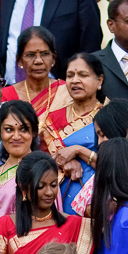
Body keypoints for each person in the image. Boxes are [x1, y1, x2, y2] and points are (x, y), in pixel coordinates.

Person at [45, 52, 104, 211]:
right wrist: (63, 160)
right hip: (58, 200)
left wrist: (79, 151)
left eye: (83, 75)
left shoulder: (109, 116)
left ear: (100, 80)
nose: (75, 80)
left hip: (100, 198)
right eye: (70, 75)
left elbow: (117, 166)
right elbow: (41, 162)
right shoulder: (51, 120)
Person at [0, 100, 39, 243]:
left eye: (24, 129)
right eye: (9, 129)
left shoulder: (42, 171)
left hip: (26, 253)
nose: (16, 136)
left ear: (34, 132)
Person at [1, 25, 71, 118]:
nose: (38, 61)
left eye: (45, 54)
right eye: (30, 55)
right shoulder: (6, 96)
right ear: (19, 60)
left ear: (53, 59)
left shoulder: (66, 91)